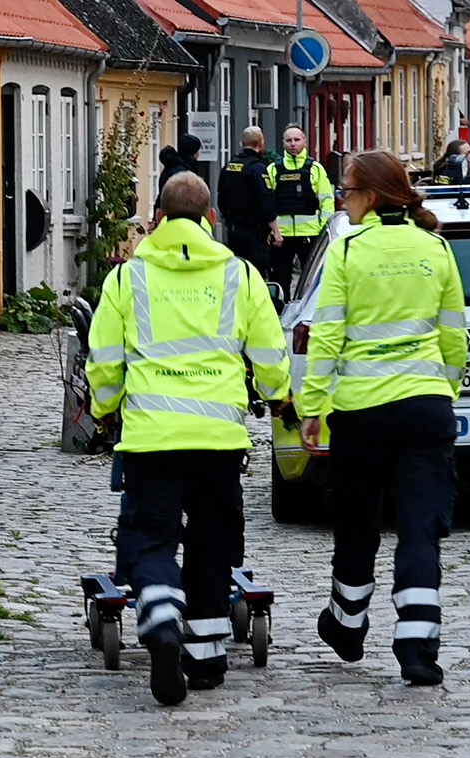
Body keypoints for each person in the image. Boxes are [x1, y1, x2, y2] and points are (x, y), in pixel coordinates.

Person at [84, 172, 291, 706]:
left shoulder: (127, 278)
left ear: (157, 218)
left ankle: (159, 616)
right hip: (218, 438)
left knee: (151, 536)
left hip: (152, 438)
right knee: (211, 542)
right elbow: (269, 353)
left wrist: (104, 410)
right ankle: (205, 659)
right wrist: (278, 397)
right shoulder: (239, 275)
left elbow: (104, 360)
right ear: (211, 218)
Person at [297, 150, 467, 687]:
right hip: (426, 407)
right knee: (421, 528)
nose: (342, 201)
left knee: (356, 521)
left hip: (362, 411)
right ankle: (418, 648)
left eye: (346, 191)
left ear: (371, 196)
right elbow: (453, 334)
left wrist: (313, 405)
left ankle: (347, 624)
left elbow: (327, 334)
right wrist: (444, 390)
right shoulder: (436, 248)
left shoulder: (348, 251)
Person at [266, 124, 335, 295]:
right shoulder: (273, 169)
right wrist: (270, 230)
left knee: (312, 280)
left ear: (305, 142)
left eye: (297, 140)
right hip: (281, 236)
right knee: (280, 280)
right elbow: (266, 202)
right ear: (283, 144)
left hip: (310, 235)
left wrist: (323, 229)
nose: (293, 144)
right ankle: (281, 308)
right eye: (289, 140)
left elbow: (327, 200)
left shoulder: (315, 169)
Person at [218, 126, 283, 280]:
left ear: (242, 143)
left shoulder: (229, 166)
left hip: (233, 229)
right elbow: (266, 201)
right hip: (254, 232)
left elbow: (221, 198)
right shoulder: (257, 168)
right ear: (261, 144)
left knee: (238, 271)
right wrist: (276, 231)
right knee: (255, 274)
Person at [157, 134, 202, 199]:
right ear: (192, 153)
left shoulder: (172, 166)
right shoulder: (183, 172)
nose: (198, 154)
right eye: (197, 151)